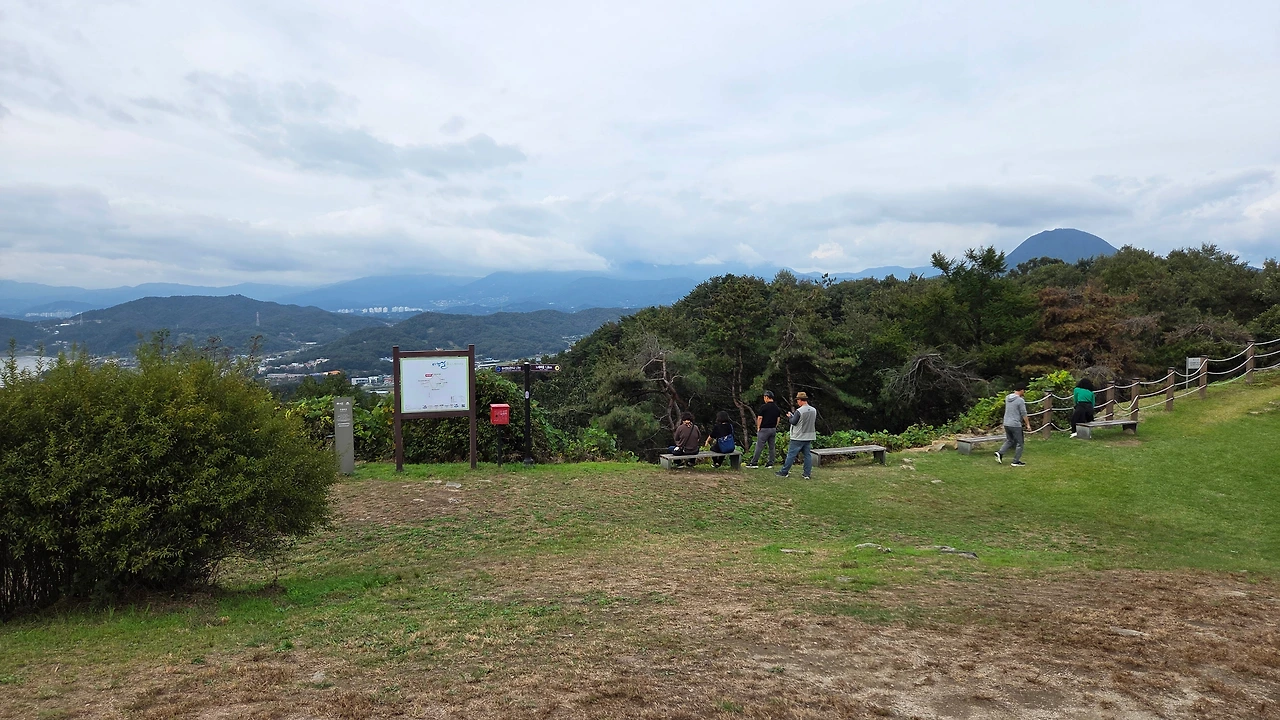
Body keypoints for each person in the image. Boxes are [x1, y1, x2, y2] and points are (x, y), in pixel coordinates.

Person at [776, 392, 817, 479]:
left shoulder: (799, 411)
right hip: (809, 435)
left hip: (798, 436)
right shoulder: (813, 410)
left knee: (791, 455)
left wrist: (790, 417)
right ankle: (807, 474)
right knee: (807, 455)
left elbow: (794, 422)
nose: (797, 402)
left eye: (797, 400)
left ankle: (784, 472)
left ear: (800, 400)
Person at [995, 384, 1031, 467]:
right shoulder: (1020, 400)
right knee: (1020, 443)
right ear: (1021, 390)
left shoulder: (1007, 397)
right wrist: (1028, 425)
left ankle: (1000, 453)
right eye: (1024, 391)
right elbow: (1024, 413)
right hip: (1015, 424)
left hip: (1006, 423)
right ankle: (1015, 461)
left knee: (1010, 440)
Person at [746, 391, 781, 469]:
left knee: (759, 446)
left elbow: (760, 418)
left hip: (764, 429)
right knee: (772, 447)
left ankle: (754, 462)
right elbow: (778, 419)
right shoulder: (776, 408)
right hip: (773, 429)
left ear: (767, 397)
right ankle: (770, 463)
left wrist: (758, 427)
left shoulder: (764, 407)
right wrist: (775, 426)